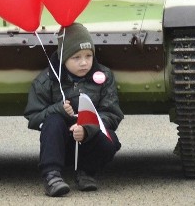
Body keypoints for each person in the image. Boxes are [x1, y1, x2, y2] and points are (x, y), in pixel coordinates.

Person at [24, 23, 122, 197]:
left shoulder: (103, 76)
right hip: (59, 142)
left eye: (88, 55)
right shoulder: (48, 79)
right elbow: (34, 116)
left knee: (110, 140)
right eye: (76, 57)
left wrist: (87, 129)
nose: (84, 62)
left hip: (88, 139)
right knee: (53, 121)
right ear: (63, 58)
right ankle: (52, 175)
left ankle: (86, 172)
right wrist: (58, 109)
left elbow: (111, 114)